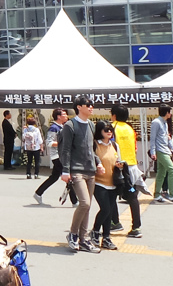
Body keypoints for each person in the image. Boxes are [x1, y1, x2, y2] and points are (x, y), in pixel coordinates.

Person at [59, 96, 105, 253]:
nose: (91, 107)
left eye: (92, 105)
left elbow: (91, 148)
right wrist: (65, 170)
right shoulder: (70, 126)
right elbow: (65, 150)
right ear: (79, 107)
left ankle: (83, 239)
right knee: (84, 203)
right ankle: (73, 234)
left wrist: (98, 162)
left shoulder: (91, 125)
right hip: (76, 170)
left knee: (88, 206)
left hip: (90, 170)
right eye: (88, 105)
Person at [110, 104, 145, 238]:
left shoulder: (113, 128)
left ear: (114, 115)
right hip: (132, 167)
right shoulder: (130, 129)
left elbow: (110, 146)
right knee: (132, 197)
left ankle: (115, 222)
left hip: (118, 167)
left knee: (111, 194)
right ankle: (136, 227)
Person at [34, 108, 76, 205]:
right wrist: (63, 144)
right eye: (64, 114)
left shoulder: (63, 126)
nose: (66, 116)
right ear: (58, 116)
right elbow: (49, 142)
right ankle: (75, 201)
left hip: (61, 155)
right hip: (57, 156)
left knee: (54, 177)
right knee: (68, 178)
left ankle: (38, 193)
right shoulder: (53, 128)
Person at [90, 121, 120, 251]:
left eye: (110, 130)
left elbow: (117, 159)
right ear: (99, 131)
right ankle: (95, 232)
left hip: (113, 182)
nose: (109, 132)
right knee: (106, 209)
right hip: (98, 182)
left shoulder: (114, 145)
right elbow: (91, 160)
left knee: (109, 211)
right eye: (106, 130)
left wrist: (120, 165)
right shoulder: (95, 145)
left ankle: (106, 237)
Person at [150, 104, 173, 205]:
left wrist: (172, 151)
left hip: (165, 150)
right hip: (160, 151)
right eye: (170, 112)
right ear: (167, 112)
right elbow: (152, 138)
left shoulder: (164, 123)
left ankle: (157, 195)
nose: (171, 114)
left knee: (161, 173)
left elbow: (165, 137)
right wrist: (153, 152)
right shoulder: (156, 122)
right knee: (172, 171)